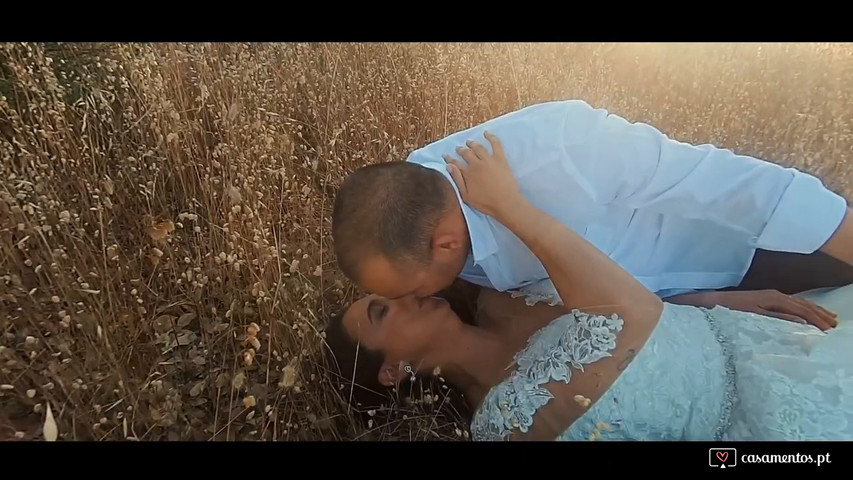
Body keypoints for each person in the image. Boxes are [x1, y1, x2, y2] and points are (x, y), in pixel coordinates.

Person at [324, 133, 853, 441]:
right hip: (767, 429)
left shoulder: (494, 295)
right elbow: (627, 319)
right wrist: (509, 207)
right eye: (380, 312)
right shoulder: (504, 423)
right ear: (392, 370)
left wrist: (722, 301)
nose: (396, 297)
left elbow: (640, 302)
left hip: (752, 335)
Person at [331, 100, 853, 329]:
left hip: (744, 247)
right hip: (692, 307)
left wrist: (841, 235)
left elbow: (721, 183)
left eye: (411, 290)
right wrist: (714, 306)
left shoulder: (562, 148)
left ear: (444, 245)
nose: (407, 301)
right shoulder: (411, 206)